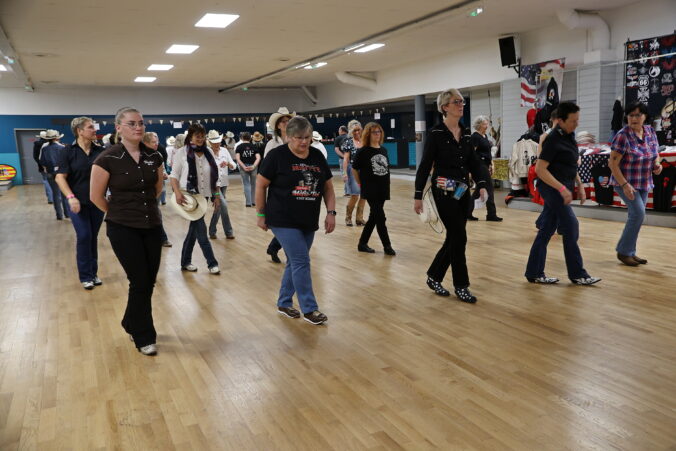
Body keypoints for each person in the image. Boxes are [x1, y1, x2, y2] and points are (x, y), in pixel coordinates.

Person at [90, 107, 165, 356]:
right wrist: (119, 212)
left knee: (148, 281)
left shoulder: (154, 156)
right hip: (122, 228)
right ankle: (144, 335)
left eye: (141, 123)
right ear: (118, 128)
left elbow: (157, 189)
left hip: (152, 225)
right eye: (132, 123)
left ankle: (130, 321)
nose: (138, 127)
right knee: (139, 280)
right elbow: (96, 196)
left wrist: (142, 209)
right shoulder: (107, 159)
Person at [256, 116, 336, 325]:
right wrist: (261, 214)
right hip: (282, 218)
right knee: (301, 261)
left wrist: (331, 212)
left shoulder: (317, 156)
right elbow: (260, 185)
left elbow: (328, 187)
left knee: (294, 262)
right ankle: (310, 309)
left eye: (307, 137)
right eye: (299, 137)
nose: (304, 141)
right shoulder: (277, 156)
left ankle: (284, 302)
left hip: (308, 218)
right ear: (289, 137)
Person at [413, 88, 489, 303]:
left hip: (462, 191)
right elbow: (425, 165)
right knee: (459, 237)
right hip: (443, 191)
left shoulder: (466, 133)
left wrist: (482, 184)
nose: (461, 105)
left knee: (455, 237)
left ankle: (434, 276)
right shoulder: (436, 134)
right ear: (445, 107)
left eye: (462, 101)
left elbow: (474, 162)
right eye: (457, 102)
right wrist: (417, 195)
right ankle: (461, 285)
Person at [524, 102, 601, 286]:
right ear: (560, 120)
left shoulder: (569, 136)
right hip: (551, 187)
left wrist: (579, 185)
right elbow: (540, 169)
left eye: (577, 120)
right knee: (571, 225)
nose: (576, 124)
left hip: (563, 186)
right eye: (573, 121)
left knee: (546, 230)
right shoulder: (552, 139)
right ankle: (578, 274)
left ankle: (534, 272)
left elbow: (570, 164)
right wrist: (561, 189)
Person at [608, 101, 662, 266]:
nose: (634, 118)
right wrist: (625, 185)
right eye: (631, 115)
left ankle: (630, 251)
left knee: (637, 216)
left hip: (643, 181)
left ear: (645, 116)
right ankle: (624, 252)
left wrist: (657, 165)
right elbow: (613, 164)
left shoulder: (650, 131)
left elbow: (656, 153)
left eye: (638, 115)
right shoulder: (622, 135)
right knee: (638, 214)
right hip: (624, 182)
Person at [55, 117, 105, 289]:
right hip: (77, 203)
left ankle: (93, 273)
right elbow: (60, 177)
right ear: (79, 131)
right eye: (90, 127)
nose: (94, 130)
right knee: (84, 236)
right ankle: (85, 276)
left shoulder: (100, 151)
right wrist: (71, 197)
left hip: (97, 202)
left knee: (92, 237)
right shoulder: (68, 151)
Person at [170, 124, 221, 274]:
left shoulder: (208, 152)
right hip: (189, 197)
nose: (200, 139)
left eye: (202, 136)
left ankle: (185, 262)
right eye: (197, 136)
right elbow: (174, 175)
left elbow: (215, 175)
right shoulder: (182, 152)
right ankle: (212, 263)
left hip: (204, 196)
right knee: (201, 231)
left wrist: (216, 195)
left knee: (193, 230)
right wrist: (177, 193)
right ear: (190, 137)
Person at [352, 122, 395, 255]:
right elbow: (354, 169)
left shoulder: (383, 150)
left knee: (374, 217)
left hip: (383, 188)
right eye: (374, 132)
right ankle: (387, 246)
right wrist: (361, 184)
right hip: (370, 189)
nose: (377, 134)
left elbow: (386, 168)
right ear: (368, 134)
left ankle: (362, 243)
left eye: (379, 132)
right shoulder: (363, 151)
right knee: (381, 217)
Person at [263, 107, 295, 263]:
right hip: (278, 187)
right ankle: (290, 258)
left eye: (288, 120)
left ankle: (275, 247)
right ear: (277, 125)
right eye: (283, 121)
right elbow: (266, 167)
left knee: (292, 222)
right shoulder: (272, 144)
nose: (286, 123)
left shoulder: (296, 140)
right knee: (285, 222)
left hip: (295, 186)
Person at [467, 115, 503, 222]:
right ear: (479, 125)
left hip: (485, 165)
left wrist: (492, 164)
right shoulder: (475, 137)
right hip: (479, 166)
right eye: (484, 124)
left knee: (479, 190)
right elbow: (471, 154)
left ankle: (467, 212)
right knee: (489, 188)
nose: (487, 126)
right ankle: (491, 214)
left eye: (487, 124)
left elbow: (487, 152)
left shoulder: (485, 136)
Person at [142, 132, 173, 247]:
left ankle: (161, 238)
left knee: (155, 213)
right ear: (145, 143)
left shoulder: (158, 155)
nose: (156, 144)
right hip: (143, 191)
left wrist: (164, 174)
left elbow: (162, 169)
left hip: (156, 190)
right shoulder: (139, 155)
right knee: (153, 214)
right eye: (153, 142)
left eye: (157, 142)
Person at [207, 130, 236, 239]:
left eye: (218, 142)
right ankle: (229, 232)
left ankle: (212, 230)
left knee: (218, 207)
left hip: (224, 182)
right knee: (223, 206)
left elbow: (233, 165)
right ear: (210, 142)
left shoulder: (224, 150)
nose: (217, 144)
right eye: (214, 142)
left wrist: (228, 164)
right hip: (213, 184)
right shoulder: (207, 153)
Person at [39, 129, 69, 220]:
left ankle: (59, 215)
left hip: (50, 173)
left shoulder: (44, 149)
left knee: (56, 194)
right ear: (56, 138)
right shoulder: (62, 148)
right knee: (64, 194)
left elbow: (42, 162)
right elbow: (66, 161)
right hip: (61, 173)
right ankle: (67, 214)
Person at [341, 120, 367, 226]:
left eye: (358, 130)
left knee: (364, 195)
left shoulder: (365, 141)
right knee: (355, 195)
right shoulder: (349, 142)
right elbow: (346, 158)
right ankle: (348, 218)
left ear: (361, 129)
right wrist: (344, 173)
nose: (357, 132)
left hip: (365, 170)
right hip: (353, 170)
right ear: (351, 131)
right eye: (354, 130)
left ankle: (359, 219)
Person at [235, 132, 261, 207]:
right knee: (253, 184)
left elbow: (237, 158)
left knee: (246, 184)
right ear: (250, 138)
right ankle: (253, 201)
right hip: (253, 167)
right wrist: (254, 166)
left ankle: (248, 203)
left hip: (244, 167)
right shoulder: (253, 146)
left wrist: (243, 166)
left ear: (242, 138)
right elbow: (258, 157)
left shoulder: (239, 147)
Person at [32, 130, 53, 204]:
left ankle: (50, 198)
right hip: (51, 166)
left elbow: (35, 156)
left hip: (41, 166)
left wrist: (41, 164)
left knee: (46, 181)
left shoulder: (37, 144)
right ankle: (54, 197)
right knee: (53, 181)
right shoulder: (49, 144)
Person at [334, 125, 349, 196]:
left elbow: (336, 150)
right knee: (352, 175)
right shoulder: (351, 137)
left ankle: (348, 192)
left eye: (339, 130)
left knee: (345, 174)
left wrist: (344, 157)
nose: (338, 131)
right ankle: (353, 191)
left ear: (342, 130)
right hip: (352, 159)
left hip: (343, 160)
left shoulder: (338, 138)